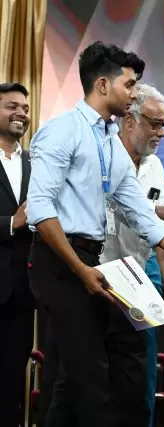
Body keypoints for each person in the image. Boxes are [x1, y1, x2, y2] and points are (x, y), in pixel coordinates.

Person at [26, 41, 164, 427]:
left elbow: (145, 219)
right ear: (103, 85)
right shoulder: (61, 131)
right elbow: (41, 211)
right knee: (90, 381)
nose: (133, 94)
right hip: (61, 263)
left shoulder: (110, 144)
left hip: (99, 266)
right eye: (129, 85)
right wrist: (80, 269)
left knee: (82, 383)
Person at [0, 82, 32, 427]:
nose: (21, 113)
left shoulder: (35, 163)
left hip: (23, 293)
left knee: (11, 390)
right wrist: (11, 222)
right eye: (12, 106)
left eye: (25, 108)